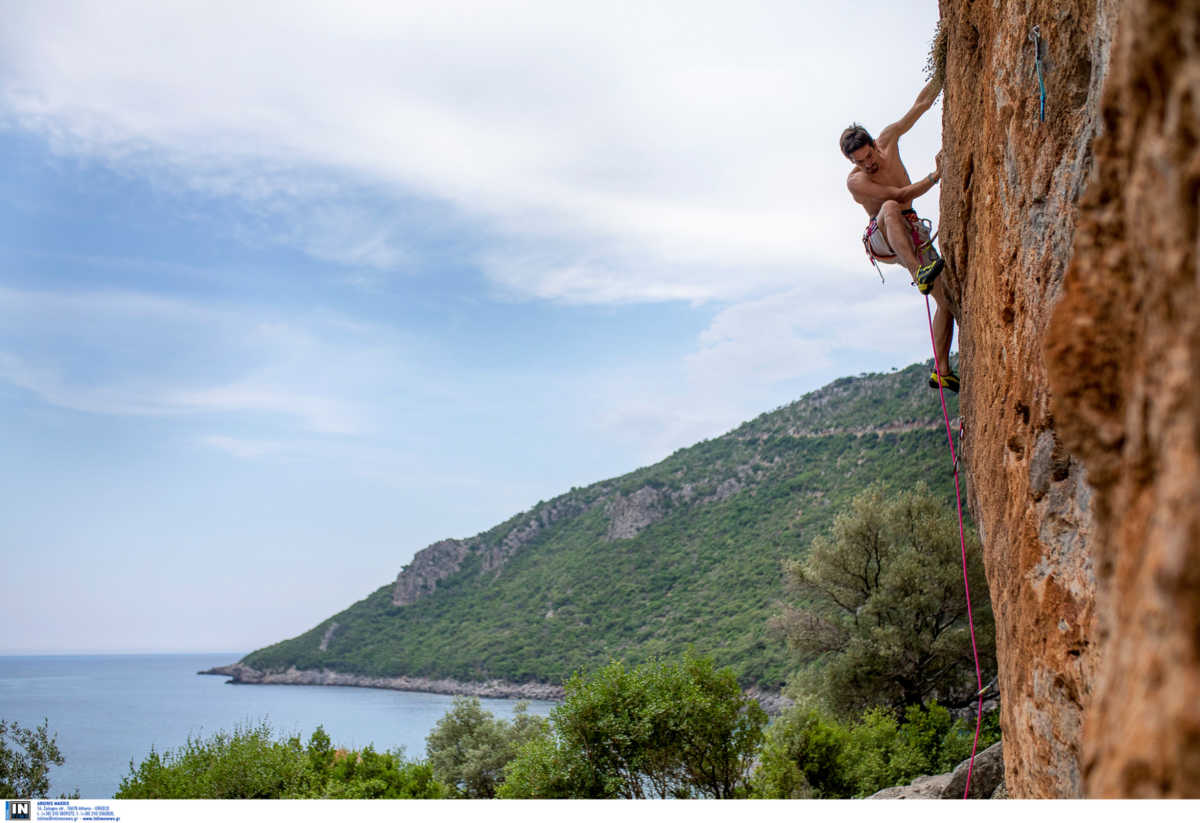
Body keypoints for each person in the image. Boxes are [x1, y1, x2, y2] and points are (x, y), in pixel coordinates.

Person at [841, 78, 958, 393]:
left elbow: (919, 106)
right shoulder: (856, 183)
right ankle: (918, 271)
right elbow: (902, 193)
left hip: (909, 226)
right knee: (891, 205)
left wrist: (942, 68)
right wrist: (936, 174)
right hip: (882, 236)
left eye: (869, 156)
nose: (868, 164)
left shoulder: (889, 137)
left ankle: (942, 370)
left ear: (876, 144)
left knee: (945, 300)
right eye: (859, 162)